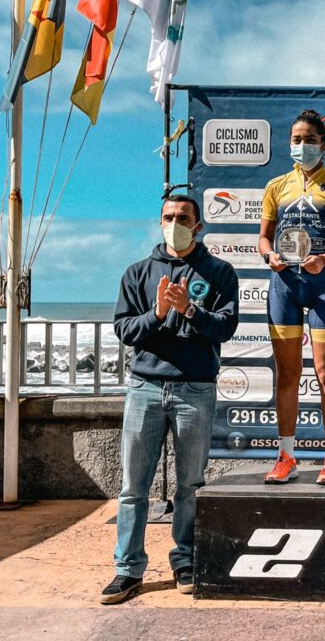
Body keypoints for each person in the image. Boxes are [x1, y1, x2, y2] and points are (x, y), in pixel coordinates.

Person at [103, 195, 239, 604]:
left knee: (190, 485)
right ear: (159, 221)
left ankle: (186, 559)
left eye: (183, 217)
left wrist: (190, 311)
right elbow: (124, 329)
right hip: (144, 388)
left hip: (195, 390)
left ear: (198, 226)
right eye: (168, 217)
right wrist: (158, 314)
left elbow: (226, 327)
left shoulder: (219, 272)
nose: (175, 223)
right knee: (133, 487)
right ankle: (127, 569)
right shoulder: (137, 273)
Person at [259, 109, 325, 485]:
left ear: (324, 144)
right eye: (297, 140)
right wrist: (269, 256)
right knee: (287, 374)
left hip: (324, 287)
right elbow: (263, 238)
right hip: (285, 285)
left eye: (310, 140)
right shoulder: (276, 187)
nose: (302, 146)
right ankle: (286, 456)